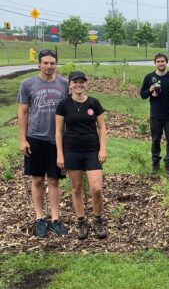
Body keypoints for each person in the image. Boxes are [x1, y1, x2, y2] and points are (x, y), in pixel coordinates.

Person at [17, 49, 68, 238]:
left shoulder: (64, 84)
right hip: (35, 137)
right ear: (39, 64)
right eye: (45, 63)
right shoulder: (27, 84)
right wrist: (23, 139)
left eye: (52, 63)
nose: (49, 66)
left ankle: (55, 219)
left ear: (56, 64)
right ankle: (39, 218)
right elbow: (23, 112)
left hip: (57, 139)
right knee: (37, 179)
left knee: (54, 180)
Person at [55, 71, 107, 240]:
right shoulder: (63, 105)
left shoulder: (94, 103)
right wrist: (60, 154)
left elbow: (102, 128)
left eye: (82, 82)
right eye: (75, 82)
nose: (79, 85)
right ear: (70, 85)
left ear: (86, 83)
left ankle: (98, 219)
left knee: (96, 188)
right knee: (76, 188)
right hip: (72, 151)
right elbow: (58, 131)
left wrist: (102, 149)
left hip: (92, 150)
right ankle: (81, 221)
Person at [140, 53, 169, 175]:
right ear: (155, 63)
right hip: (156, 115)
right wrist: (150, 90)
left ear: (167, 62)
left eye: (163, 61)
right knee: (156, 140)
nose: (161, 63)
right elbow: (142, 95)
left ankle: (168, 165)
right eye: (158, 61)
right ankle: (155, 165)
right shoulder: (149, 77)